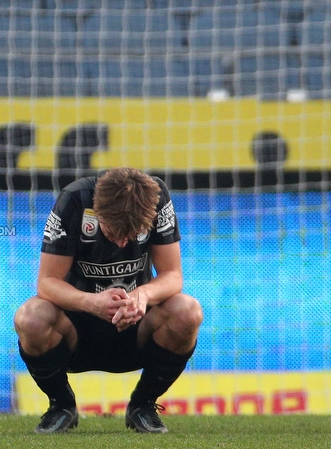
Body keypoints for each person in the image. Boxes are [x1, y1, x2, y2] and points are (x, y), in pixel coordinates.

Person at [14, 167, 202, 434]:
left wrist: (141, 296)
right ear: (97, 211)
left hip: (136, 329)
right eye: (113, 233)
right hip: (76, 331)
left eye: (132, 235)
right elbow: (46, 282)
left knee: (188, 311)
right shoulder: (74, 200)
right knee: (30, 317)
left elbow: (173, 275)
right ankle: (61, 406)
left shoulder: (157, 198)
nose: (123, 243)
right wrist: (91, 302)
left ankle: (143, 406)